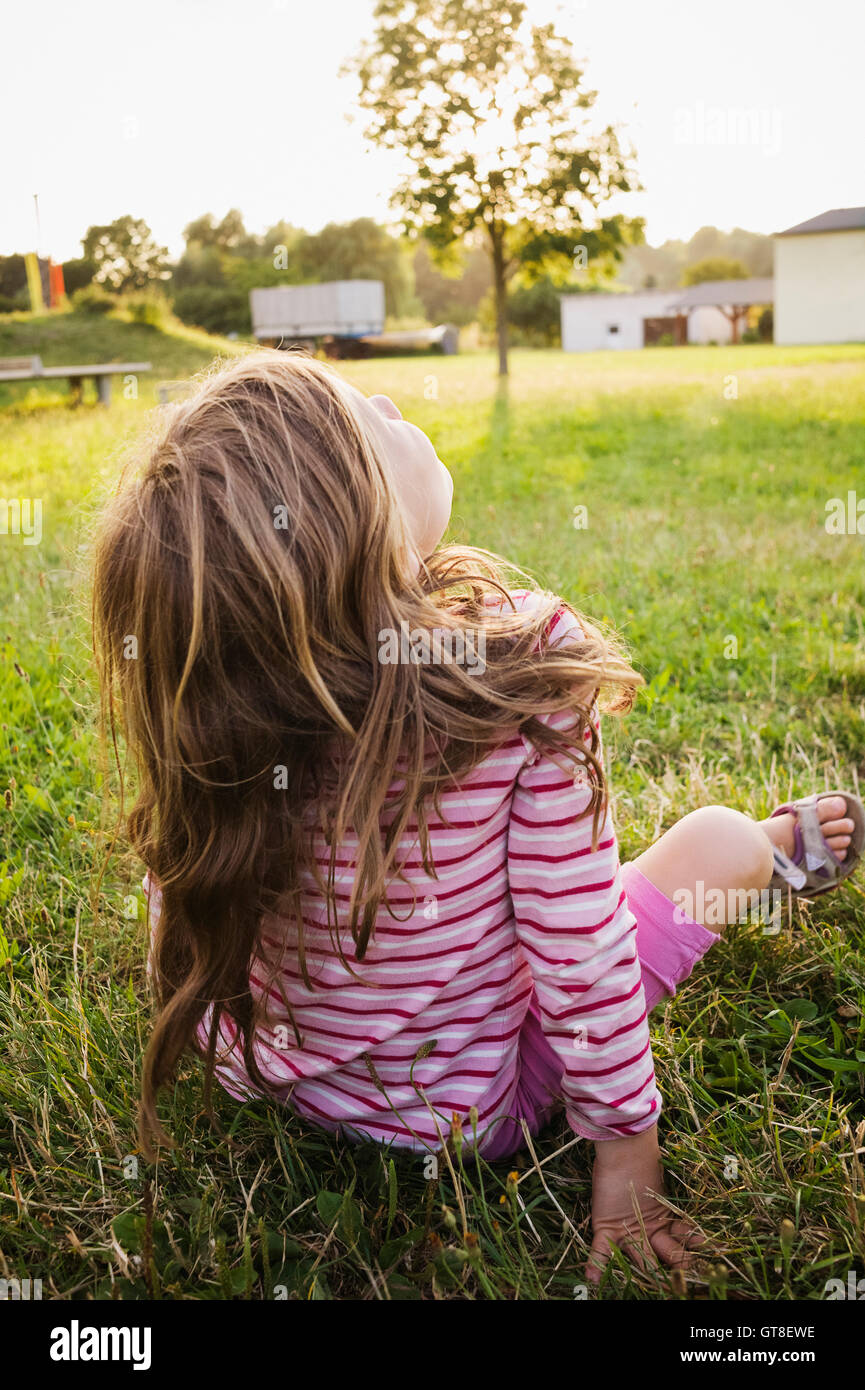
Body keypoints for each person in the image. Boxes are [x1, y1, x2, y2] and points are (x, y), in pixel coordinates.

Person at [91, 349, 863, 1281]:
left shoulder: (217, 694)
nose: (389, 398)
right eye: (368, 418)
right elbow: (576, 947)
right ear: (364, 525)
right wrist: (626, 1147)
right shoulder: (519, 678)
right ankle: (773, 851)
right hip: (473, 1108)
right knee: (716, 840)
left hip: (277, 1079)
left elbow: (178, 907)